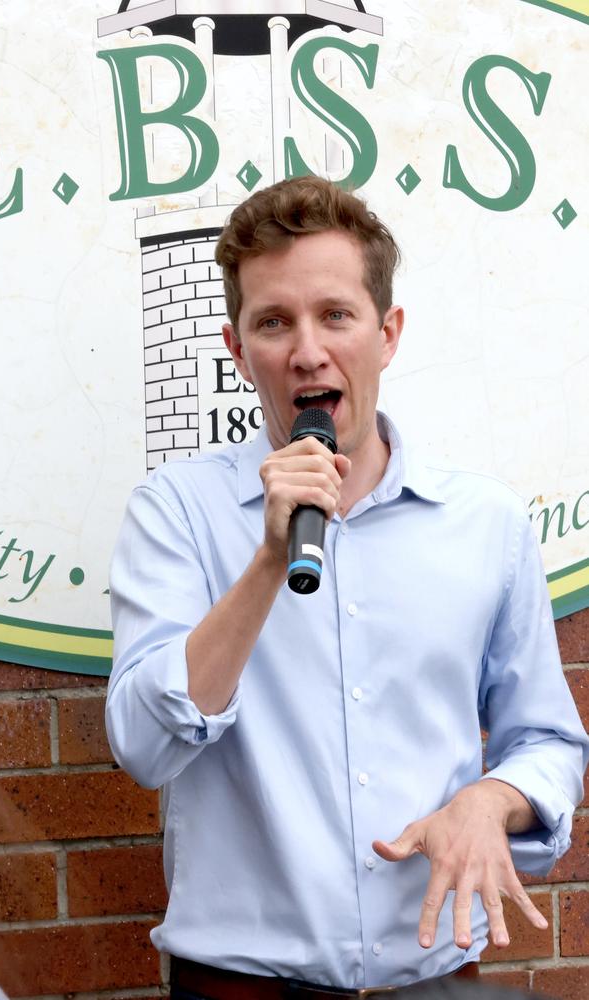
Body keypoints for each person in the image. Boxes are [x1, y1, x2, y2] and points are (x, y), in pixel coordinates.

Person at [107, 176, 588, 998]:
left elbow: (547, 741)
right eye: (273, 322)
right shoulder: (175, 514)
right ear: (237, 347)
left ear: (386, 332)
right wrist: (267, 560)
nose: (306, 351)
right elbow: (144, 747)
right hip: (242, 986)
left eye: (335, 315)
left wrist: (492, 798)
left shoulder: (486, 522)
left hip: (438, 982)